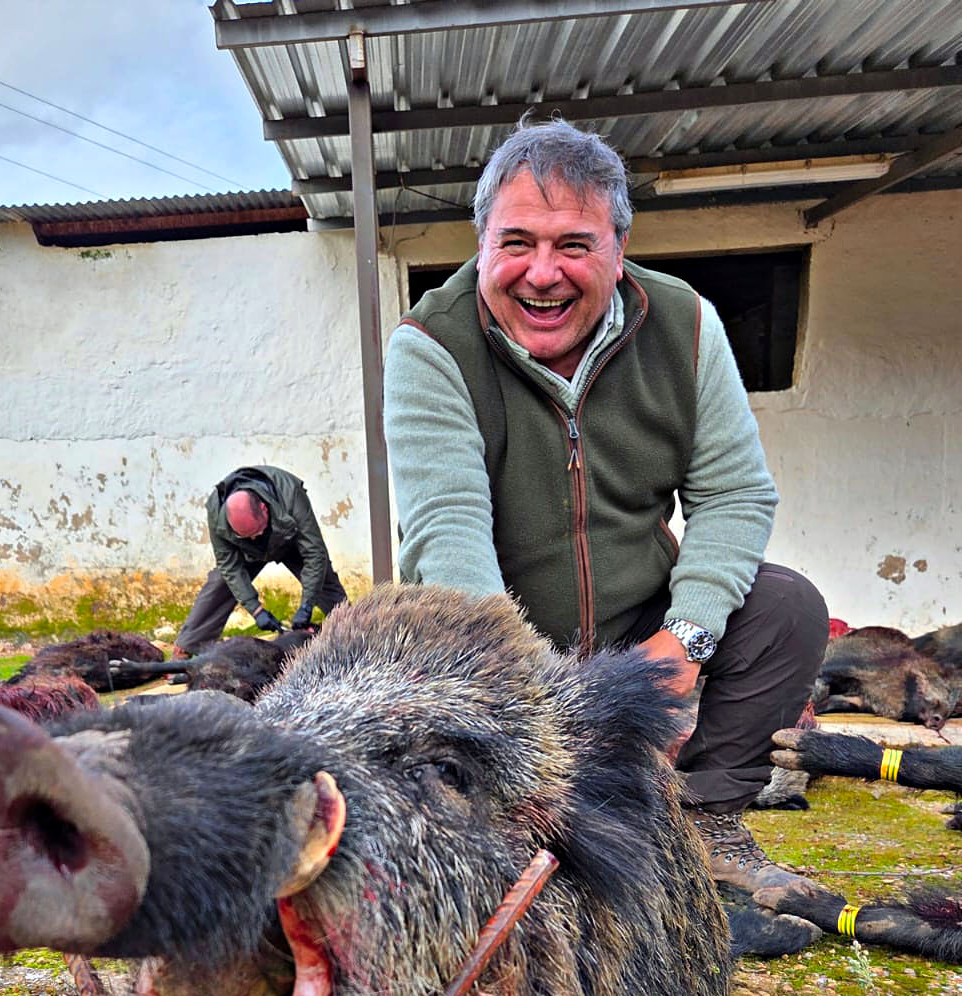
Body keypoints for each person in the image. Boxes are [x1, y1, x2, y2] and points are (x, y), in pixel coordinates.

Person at [384, 116, 827, 894]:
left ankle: (708, 819)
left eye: (574, 245)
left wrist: (683, 642)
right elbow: (446, 532)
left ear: (618, 253)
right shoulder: (429, 346)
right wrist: (534, 694)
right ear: (481, 243)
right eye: (516, 242)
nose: (541, 273)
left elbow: (733, 492)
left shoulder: (685, 324)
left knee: (786, 606)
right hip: (501, 644)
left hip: (638, 629)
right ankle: (512, 820)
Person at [173, 465, 348, 655]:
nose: (254, 537)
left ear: (264, 509)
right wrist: (256, 610)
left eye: (256, 531)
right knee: (219, 584)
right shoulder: (216, 510)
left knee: (323, 579)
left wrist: (307, 605)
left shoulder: (290, 493)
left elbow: (314, 552)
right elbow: (229, 566)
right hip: (247, 551)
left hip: (290, 540)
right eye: (247, 534)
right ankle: (186, 646)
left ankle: (355, 631)